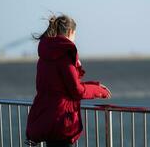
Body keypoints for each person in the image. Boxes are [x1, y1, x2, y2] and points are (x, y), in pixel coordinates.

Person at [25, 14, 111, 147]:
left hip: (47, 118)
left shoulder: (44, 56)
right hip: (61, 121)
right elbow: (76, 90)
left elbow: (58, 86)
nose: (75, 39)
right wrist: (98, 90)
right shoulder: (65, 55)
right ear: (70, 32)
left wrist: (93, 84)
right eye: (75, 34)